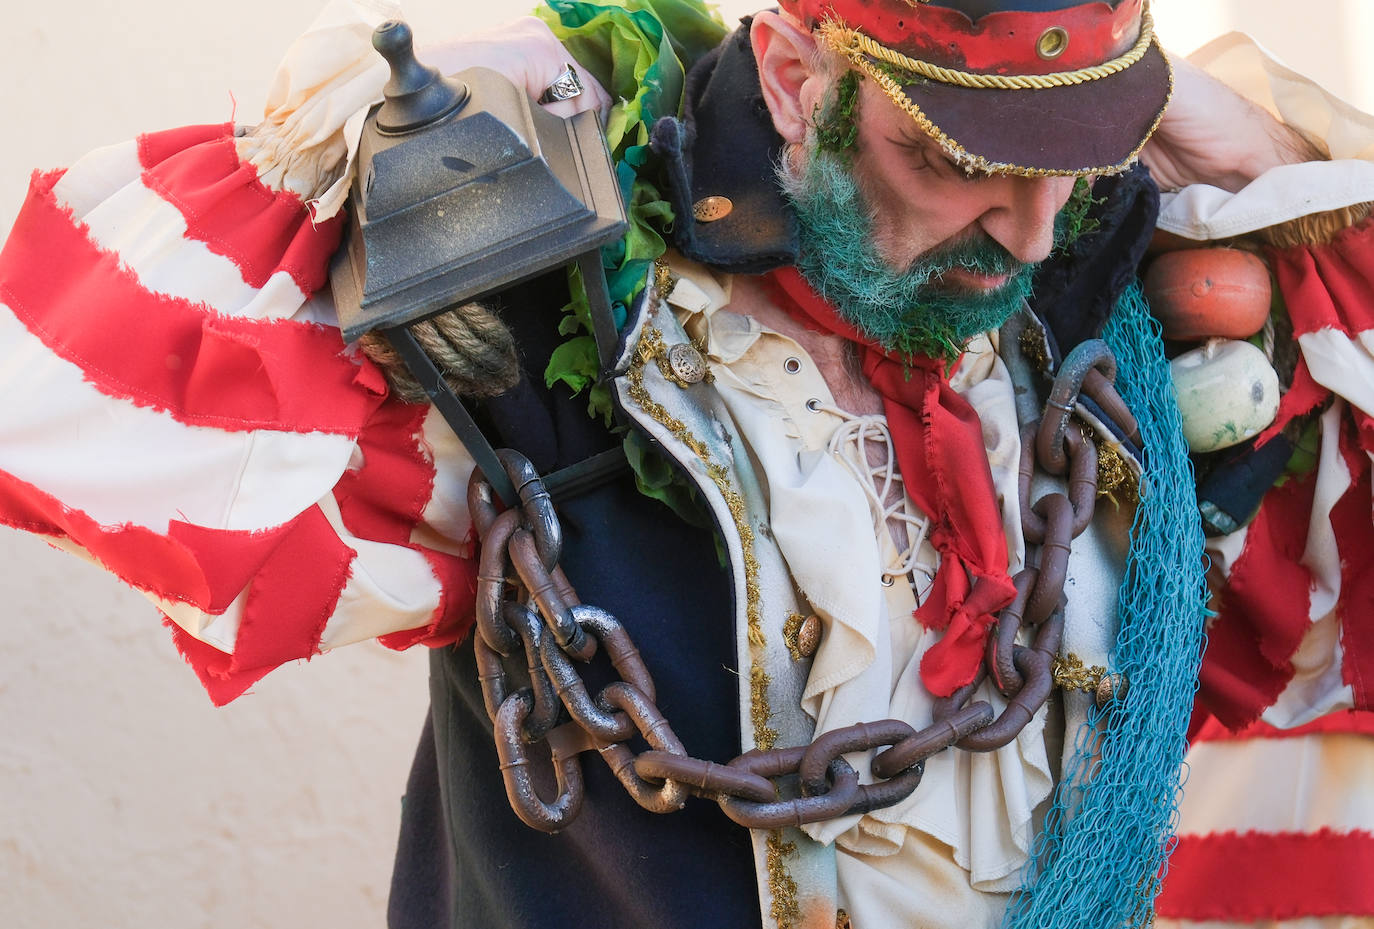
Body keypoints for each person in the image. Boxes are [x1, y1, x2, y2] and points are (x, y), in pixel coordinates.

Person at [1, 1, 1371, 927]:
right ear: (793, 75)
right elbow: (66, 407)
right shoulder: (556, 308)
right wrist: (331, 147)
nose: (1023, 233)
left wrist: (1267, 161)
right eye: (956, 159)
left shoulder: (1107, 292)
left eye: (1071, 158)